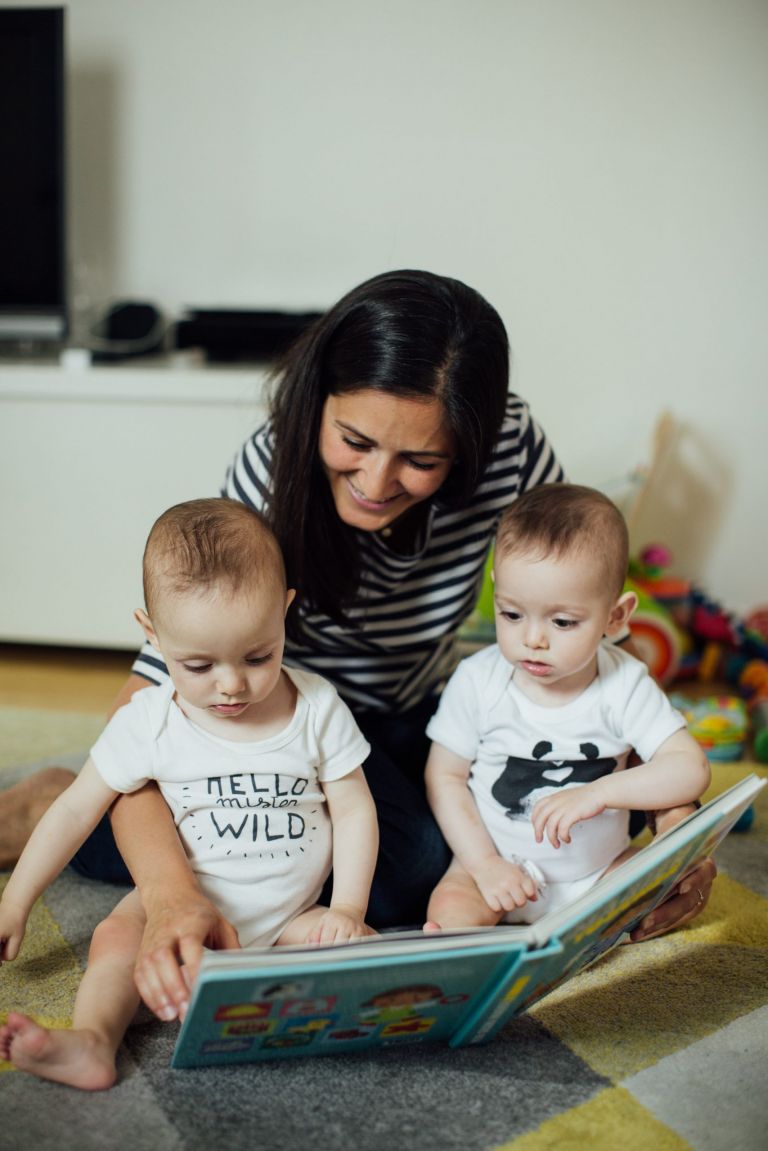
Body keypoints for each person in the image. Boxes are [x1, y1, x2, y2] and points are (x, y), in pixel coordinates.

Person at [0, 270, 715, 1020]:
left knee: (569, 809)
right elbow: (144, 712)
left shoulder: (512, 452)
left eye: (421, 461)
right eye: (354, 441)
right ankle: (53, 795)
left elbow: (584, 628)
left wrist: (679, 832)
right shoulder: (267, 473)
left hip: (416, 709)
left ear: (469, 448)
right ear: (321, 404)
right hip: (285, 722)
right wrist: (172, 895)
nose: (376, 480)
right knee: (406, 868)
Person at [0, 499, 377, 1089]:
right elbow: (75, 808)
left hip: (290, 919)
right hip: (172, 906)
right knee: (115, 937)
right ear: (151, 633)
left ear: (284, 611)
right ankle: (93, 1042)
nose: (232, 685)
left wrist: (349, 909)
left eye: (259, 656)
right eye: (196, 665)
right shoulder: (149, 720)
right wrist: (15, 901)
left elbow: (354, 808)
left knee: (360, 953)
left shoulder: (316, 707)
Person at [424, 484, 711, 929]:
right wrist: (483, 865)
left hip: (597, 872)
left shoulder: (624, 684)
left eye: (562, 622)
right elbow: (444, 776)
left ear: (615, 617)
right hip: (493, 867)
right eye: (512, 614)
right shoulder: (478, 680)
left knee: (655, 890)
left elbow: (690, 769)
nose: (532, 639)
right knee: (449, 914)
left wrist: (597, 793)